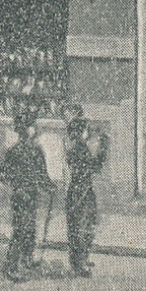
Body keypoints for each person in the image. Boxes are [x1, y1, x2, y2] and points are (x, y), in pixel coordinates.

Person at [0, 111, 55, 281]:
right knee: (21, 230)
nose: (35, 129)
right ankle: (11, 266)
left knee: (28, 229)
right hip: (23, 195)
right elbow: (2, 174)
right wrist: (20, 182)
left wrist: (48, 186)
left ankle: (27, 259)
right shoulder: (22, 151)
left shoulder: (23, 151)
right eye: (32, 126)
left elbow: (42, 175)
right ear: (27, 130)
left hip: (28, 194)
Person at [62, 109, 109, 278]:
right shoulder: (79, 150)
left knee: (84, 227)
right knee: (81, 229)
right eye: (86, 130)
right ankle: (78, 264)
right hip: (80, 192)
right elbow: (95, 167)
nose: (88, 133)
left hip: (82, 191)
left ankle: (81, 259)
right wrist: (103, 148)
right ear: (79, 133)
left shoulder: (79, 148)